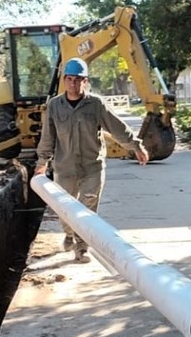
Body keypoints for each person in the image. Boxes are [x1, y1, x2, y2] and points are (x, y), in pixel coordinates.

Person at [35, 57, 149, 263]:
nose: (73, 83)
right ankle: (69, 234)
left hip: (92, 166)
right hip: (65, 167)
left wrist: (135, 145)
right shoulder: (54, 106)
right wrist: (42, 161)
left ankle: (81, 247)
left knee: (87, 208)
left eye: (78, 79)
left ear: (85, 81)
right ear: (64, 80)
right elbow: (48, 136)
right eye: (69, 79)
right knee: (66, 209)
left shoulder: (95, 104)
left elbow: (116, 126)